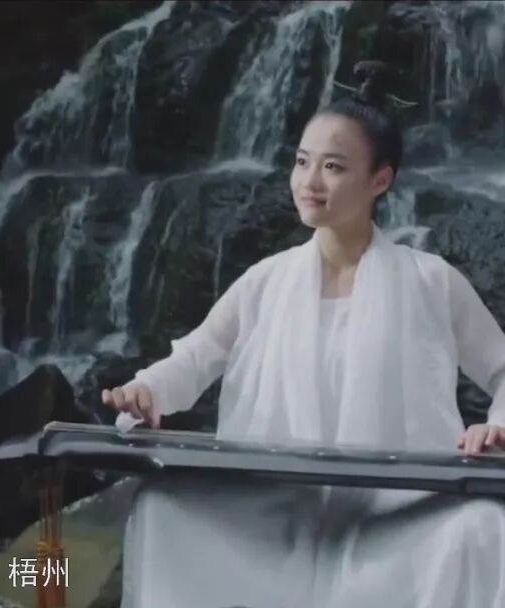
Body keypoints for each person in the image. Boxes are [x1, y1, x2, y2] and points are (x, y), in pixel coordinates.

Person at [101, 60, 505, 608]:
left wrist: (497, 427)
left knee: (481, 526)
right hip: (274, 507)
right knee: (161, 509)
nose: (309, 182)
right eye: (301, 161)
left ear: (380, 180)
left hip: (401, 510)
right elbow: (194, 359)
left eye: (333, 167)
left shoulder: (433, 282)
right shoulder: (265, 280)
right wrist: (147, 390)